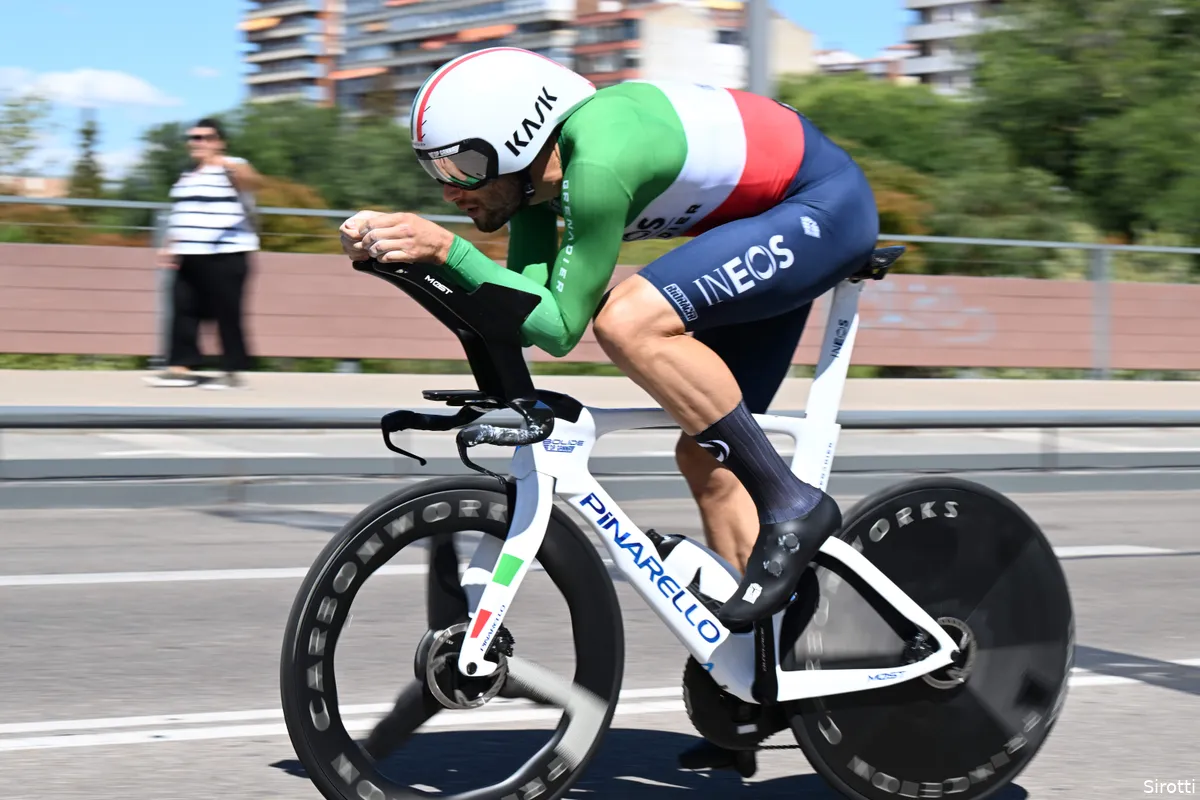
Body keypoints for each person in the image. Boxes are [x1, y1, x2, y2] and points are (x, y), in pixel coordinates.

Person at [340, 48, 879, 765]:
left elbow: (565, 325)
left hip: (822, 207)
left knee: (627, 319)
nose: (452, 190)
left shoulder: (595, 165)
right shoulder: (535, 186)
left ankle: (792, 502)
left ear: (519, 135)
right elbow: (525, 310)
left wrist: (446, 252)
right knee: (710, 453)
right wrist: (414, 261)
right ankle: (764, 684)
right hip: (768, 216)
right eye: (436, 172)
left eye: (463, 166)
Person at [147, 117, 261, 390]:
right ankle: (179, 368)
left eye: (205, 138)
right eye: (193, 138)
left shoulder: (233, 166)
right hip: (189, 252)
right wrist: (169, 244)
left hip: (227, 252)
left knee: (227, 313)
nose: (197, 143)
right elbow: (182, 212)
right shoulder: (187, 174)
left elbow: (254, 183)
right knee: (182, 310)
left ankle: (232, 372)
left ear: (219, 142)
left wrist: (226, 164)